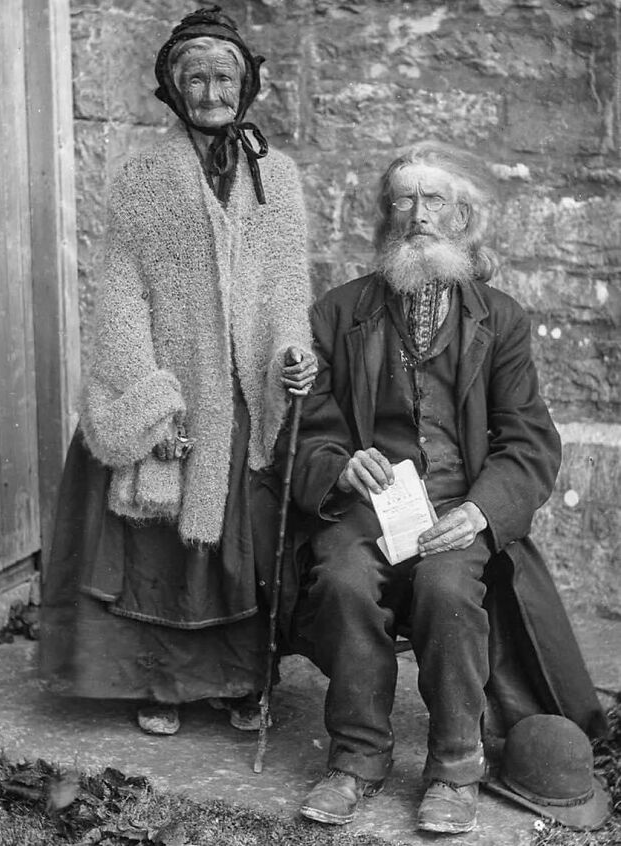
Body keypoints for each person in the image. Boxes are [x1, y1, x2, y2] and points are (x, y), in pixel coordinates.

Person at [285, 141, 606, 833]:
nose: (419, 215)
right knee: (339, 578)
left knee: (447, 588)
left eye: (436, 200)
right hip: (365, 509)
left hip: (458, 509)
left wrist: (483, 513)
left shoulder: (501, 319)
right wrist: (340, 463)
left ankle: (455, 769)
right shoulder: (339, 313)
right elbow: (310, 428)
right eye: (404, 199)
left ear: (464, 216)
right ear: (385, 215)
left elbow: (527, 441)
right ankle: (356, 760)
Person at [39, 6, 316, 737]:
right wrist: (151, 403)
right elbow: (120, 294)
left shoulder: (276, 179)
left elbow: (288, 286)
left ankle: (243, 682)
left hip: (243, 394)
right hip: (174, 387)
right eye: (194, 78)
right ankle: (161, 684)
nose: (210, 91)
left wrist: (291, 354)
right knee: (160, 548)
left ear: (246, 85)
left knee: (241, 546)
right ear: (172, 88)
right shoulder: (142, 179)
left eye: (224, 76)